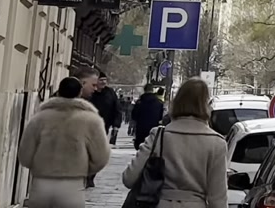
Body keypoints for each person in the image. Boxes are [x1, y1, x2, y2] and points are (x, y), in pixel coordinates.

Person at [123, 77, 226, 208]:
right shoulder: (217, 143)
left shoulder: (158, 136)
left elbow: (129, 178)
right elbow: (218, 198)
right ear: (207, 105)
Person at [17, 77, 111, 208]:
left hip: (41, 183)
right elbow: (101, 157)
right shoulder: (92, 120)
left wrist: (36, 166)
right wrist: (84, 169)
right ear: (79, 93)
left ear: (59, 91)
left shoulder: (39, 118)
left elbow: (25, 155)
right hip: (73, 185)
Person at [88, 75, 124, 144]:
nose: (104, 82)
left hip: (105, 125)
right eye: (101, 80)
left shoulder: (110, 92)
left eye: (105, 80)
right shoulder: (90, 92)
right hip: (90, 125)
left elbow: (117, 109)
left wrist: (116, 125)